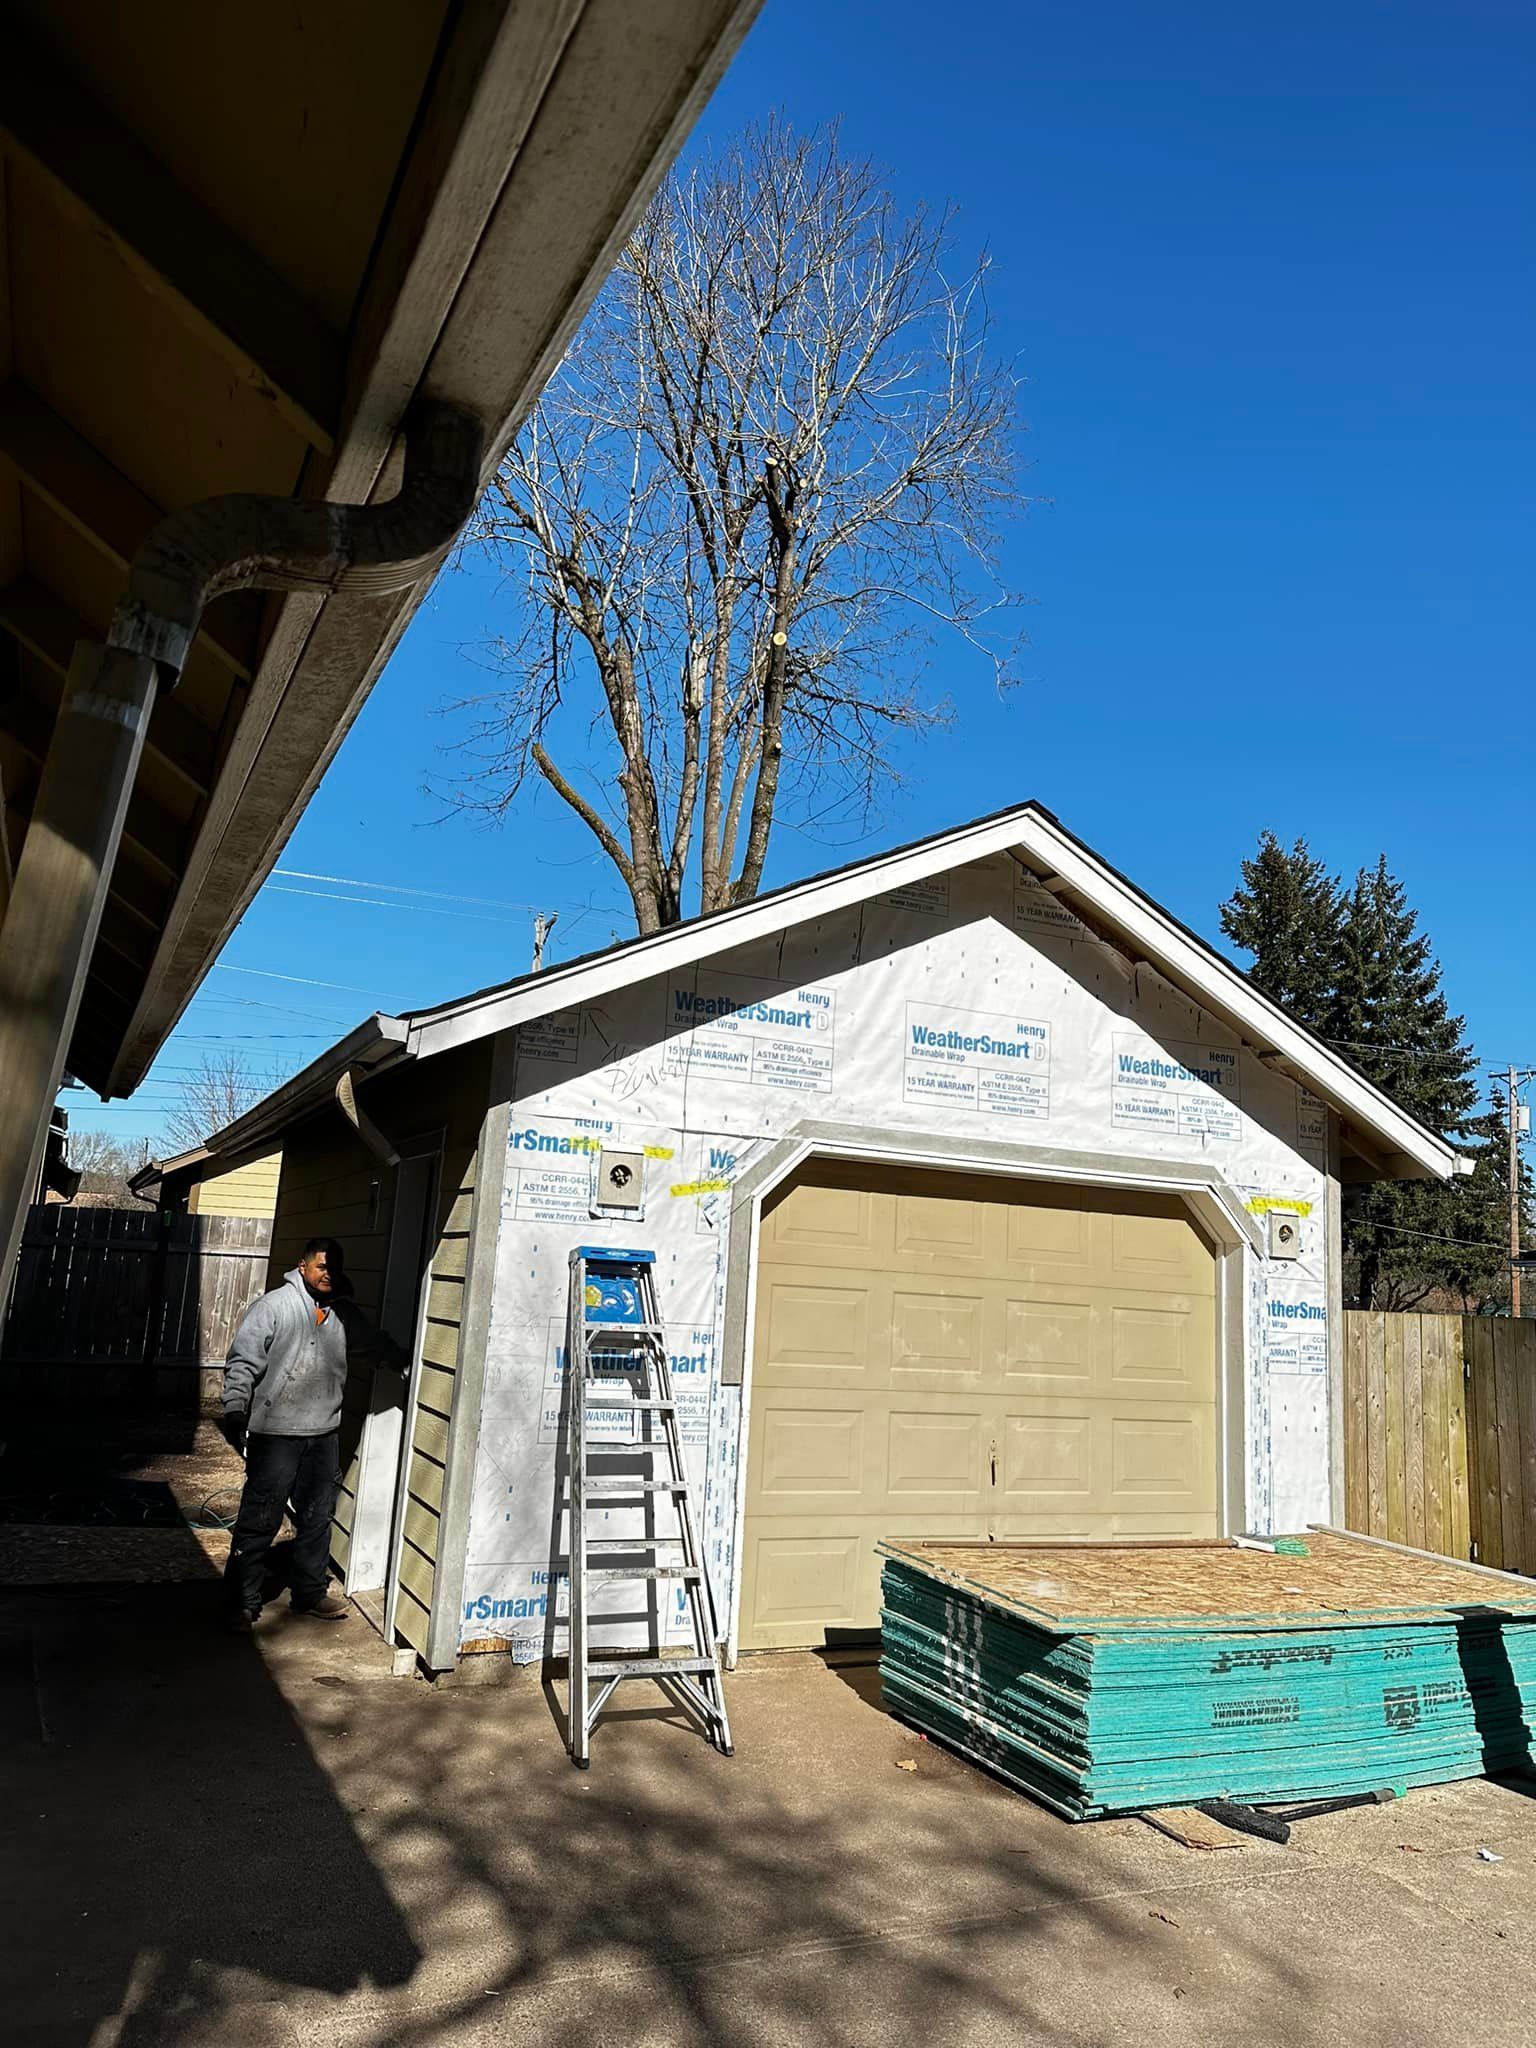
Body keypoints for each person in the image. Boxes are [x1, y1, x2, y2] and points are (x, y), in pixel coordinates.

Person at [220, 1237, 401, 1630]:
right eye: (321, 1267)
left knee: (318, 1518)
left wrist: (404, 1360)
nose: (328, 1274)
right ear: (302, 1267)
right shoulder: (274, 1307)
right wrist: (235, 1408)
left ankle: (309, 1593)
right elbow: (242, 1362)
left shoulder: (343, 1314)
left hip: (323, 1433)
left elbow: (372, 1345)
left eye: (333, 1268)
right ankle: (242, 1599)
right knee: (260, 1518)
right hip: (276, 1433)